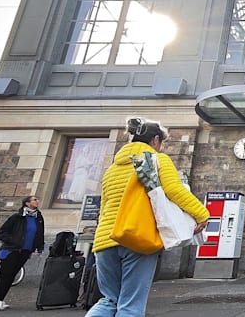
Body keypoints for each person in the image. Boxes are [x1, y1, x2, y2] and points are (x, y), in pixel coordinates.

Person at [87, 118, 209, 317]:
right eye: (161, 143)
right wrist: (202, 214)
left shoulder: (112, 169)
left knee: (109, 300)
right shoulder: (157, 160)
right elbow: (174, 190)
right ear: (155, 140)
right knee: (130, 306)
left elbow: (104, 206)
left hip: (104, 240)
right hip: (137, 237)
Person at [0, 195, 45, 312]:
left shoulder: (38, 218)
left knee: (12, 275)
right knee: (5, 275)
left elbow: (40, 232)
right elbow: (2, 232)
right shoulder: (17, 217)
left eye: (37, 199)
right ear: (27, 203)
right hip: (11, 250)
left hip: (25, 251)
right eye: (34, 200)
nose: (37, 201)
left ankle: (1, 300)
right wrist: (13, 240)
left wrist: (39, 246)